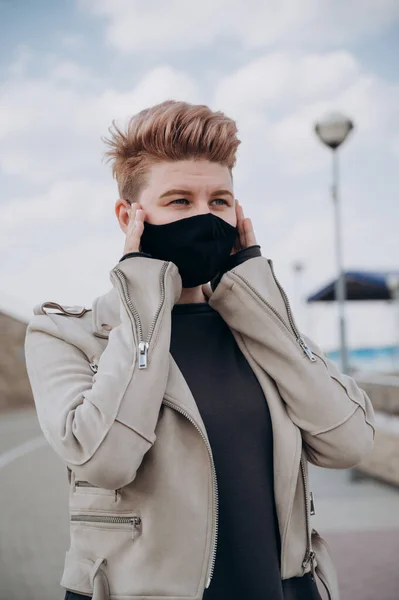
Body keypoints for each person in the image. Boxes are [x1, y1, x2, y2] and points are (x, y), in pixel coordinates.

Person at [25, 100, 375, 600]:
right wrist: (143, 295)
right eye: (179, 201)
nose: (205, 218)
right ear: (130, 216)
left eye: (219, 201)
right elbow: (104, 461)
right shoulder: (67, 337)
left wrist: (261, 303)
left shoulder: (257, 329)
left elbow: (351, 444)